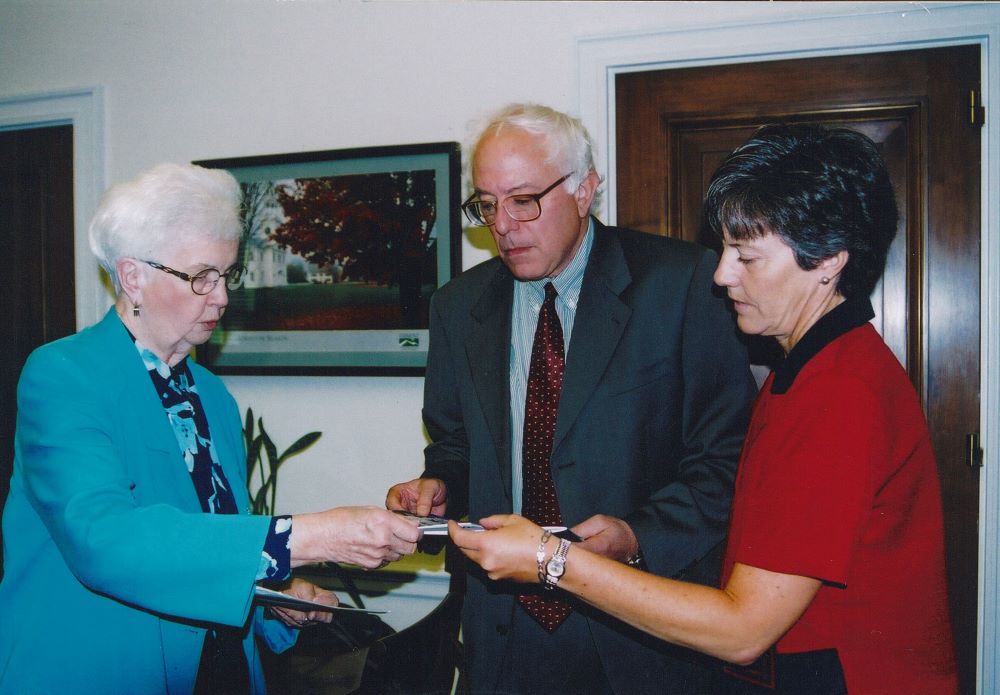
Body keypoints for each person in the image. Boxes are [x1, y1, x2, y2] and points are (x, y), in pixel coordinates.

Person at [450, 124, 958, 694]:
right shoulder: (808, 369)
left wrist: (549, 559)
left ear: (828, 261)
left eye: (747, 257)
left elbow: (743, 629)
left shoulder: (842, 394)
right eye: (724, 252)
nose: (721, 275)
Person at [0, 163, 422, 695]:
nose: (221, 297)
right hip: (93, 670)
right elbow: (104, 540)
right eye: (201, 276)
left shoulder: (212, 396)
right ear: (133, 277)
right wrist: (310, 536)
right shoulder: (64, 375)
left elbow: (210, 541)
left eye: (226, 275)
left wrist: (279, 603)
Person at [386, 103, 757, 694]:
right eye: (486, 204)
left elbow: (727, 458)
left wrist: (636, 534)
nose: (502, 225)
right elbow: (455, 442)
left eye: (523, 200)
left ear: (585, 190)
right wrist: (440, 486)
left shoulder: (684, 284)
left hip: (640, 626)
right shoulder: (458, 307)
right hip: (505, 632)